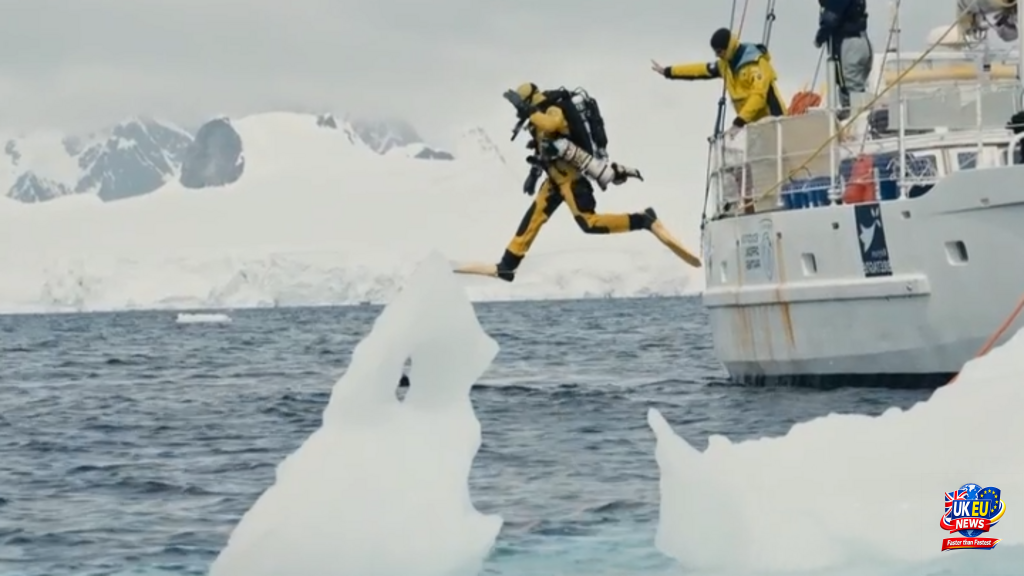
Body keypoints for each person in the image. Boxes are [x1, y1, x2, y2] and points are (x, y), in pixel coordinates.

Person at [487, 82, 687, 282]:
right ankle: (508, 264)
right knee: (533, 218)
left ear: (528, 101)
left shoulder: (552, 108)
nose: (518, 113)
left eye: (519, 106)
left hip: (571, 180)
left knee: (589, 223)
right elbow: (543, 147)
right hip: (554, 180)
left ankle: (643, 219)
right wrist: (534, 173)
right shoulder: (537, 117)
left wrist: (527, 111)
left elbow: (553, 125)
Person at [651, 27, 786, 138]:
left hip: (775, 124)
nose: (717, 55)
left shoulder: (756, 63)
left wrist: (739, 122)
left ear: (728, 47)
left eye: (719, 51)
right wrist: (668, 71)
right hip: (754, 129)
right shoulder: (724, 66)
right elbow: (700, 70)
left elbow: (759, 96)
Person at [814, 0, 872, 120]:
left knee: (851, 88)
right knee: (851, 87)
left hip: (850, 43)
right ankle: (855, 118)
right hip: (861, 40)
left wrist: (820, 37)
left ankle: (857, 121)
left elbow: (831, 18)